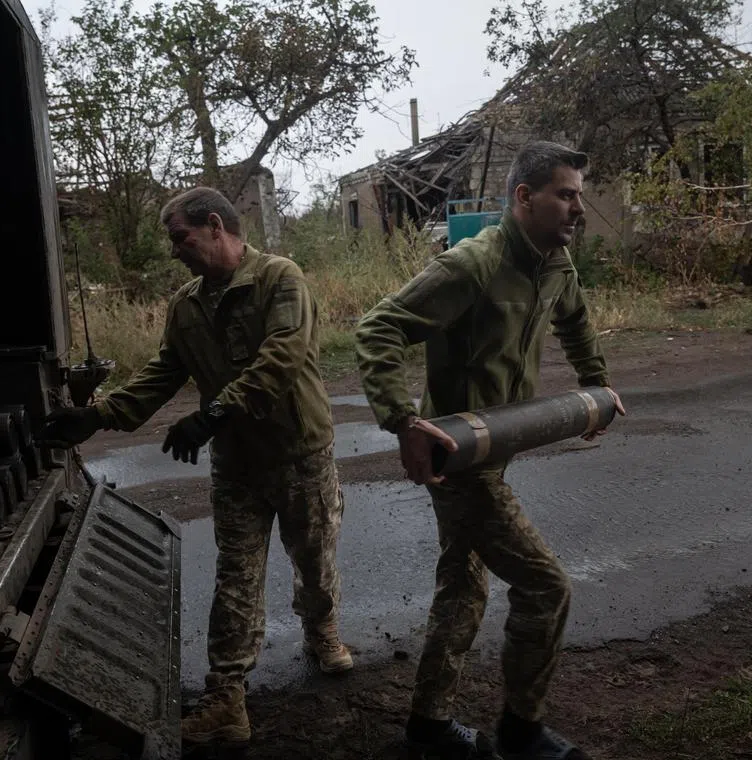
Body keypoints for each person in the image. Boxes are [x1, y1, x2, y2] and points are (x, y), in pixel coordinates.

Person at [40, 187, 353, 749]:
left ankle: (322, 630)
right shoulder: (185, 305)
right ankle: (226, 698)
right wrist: (97, 416)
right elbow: (164, 372)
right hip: (237, 464)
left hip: (300, 453)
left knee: (314, 559)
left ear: (214, 225)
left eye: (180, 238)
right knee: (236, 575)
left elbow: (281, 357)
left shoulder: (281, 278)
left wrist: (211, 414)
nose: (175, 251)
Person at [354, 141, 625, 760]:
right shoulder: (473, 263)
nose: (576, 208)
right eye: (565, 194)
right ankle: (521, 732)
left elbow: (576, 321)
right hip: (458, 456)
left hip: (498, 446)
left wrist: (595, 387)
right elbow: (378, 327)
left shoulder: (555, 262)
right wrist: (404, 421)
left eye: (579, 195)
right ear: (524, 198)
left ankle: (428, 728)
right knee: (546, 586)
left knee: (463, 584)